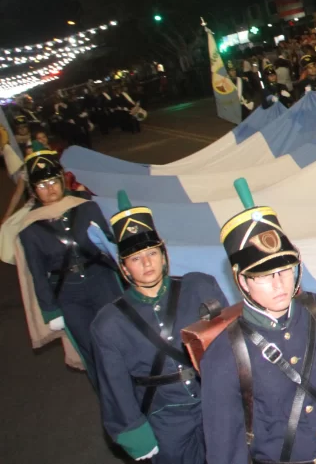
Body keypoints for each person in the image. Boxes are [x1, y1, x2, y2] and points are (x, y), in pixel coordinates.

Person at [194, 180, 316, 464]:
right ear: (241, 281)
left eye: (285, 269)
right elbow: (225, 450)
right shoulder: (225, 356)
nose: (279, 283)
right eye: (264, 275)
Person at [90, 191, 229, 463]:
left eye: (152, 252)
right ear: (124, 268)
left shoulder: (199, 287)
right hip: (164, 415)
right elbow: (114, 387)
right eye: (135, 258)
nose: (147, 263)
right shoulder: (109, 323)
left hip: (214, 401)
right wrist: (133, 432)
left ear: (164, 254)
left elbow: (229, 345)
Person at [17, 146, 122, 383]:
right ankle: (115, 409)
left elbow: (110, 246)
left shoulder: (86, 207)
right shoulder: (30, 228)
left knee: (120, 342)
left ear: (62, 180)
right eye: (42, 185)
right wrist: (51, 309)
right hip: (69, 296)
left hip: (102, 283)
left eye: (53, 181)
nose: (50, 188)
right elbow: (37, 272)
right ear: (34, 191)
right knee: (92, 352)